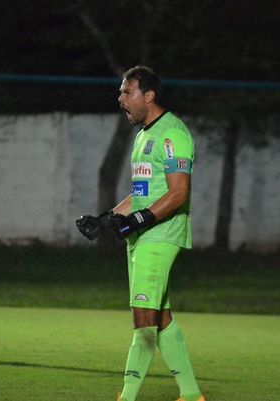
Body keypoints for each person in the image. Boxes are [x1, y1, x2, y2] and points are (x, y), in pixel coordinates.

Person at [76, 66, 205, 401]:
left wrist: (140, 220)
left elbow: (178, 194)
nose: (121, 99)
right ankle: (191, 395)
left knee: (143, 321)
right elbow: (141, 194)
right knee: (159, 318)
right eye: (120, 92)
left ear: (148, 95)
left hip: (161, 236)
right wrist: (106, 219)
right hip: (143, 236)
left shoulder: (172, 134)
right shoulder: (143, 136)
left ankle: (127, 397)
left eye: (127, 92)